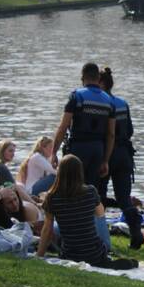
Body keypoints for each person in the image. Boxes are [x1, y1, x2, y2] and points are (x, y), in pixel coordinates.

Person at [37, 154, 137, 269]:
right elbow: (100, 214)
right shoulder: (90, 191)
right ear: (80, 172)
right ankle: (107, 251)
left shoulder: (52, 197)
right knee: (96, 217)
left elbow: (47, 230)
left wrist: (39, 255)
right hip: (95, 254)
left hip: (70, 255)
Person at [95, 67, 144, 248]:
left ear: (101, 83)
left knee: (98, 194)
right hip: (124, 155)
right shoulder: (122, 103)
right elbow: (130, 130)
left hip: (106, 154)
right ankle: (136, 231)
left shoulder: (101, 103)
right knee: (124, 197)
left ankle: (99, 233)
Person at [52, 62, 115, 192]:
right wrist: (105, 160)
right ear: (98, 78)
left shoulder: (77, 96)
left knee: (71, 187)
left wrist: (53, 152)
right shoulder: (109, 101)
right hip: (97, 149)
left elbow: (63, 127)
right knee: (92, 189)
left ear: (82, 77)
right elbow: (111, 134)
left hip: (78, 148)